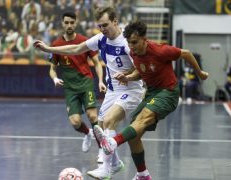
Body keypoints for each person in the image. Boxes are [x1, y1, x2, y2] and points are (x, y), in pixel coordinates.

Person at [34, 7, 145, 179]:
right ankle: (115, 163)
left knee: (109, 121)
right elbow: (76, 48)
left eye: (106, 25)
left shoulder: (127, 43)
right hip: (113, 90)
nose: (102, 29)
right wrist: (49, 49)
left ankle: (107, 168)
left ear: (115, 21)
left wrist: (128, 76)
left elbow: (141, 69)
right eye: (100, 26)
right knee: (99, 127)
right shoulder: (101, 39)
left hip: (131, 89)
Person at [93, 20, 209, 180]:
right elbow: (140, 72)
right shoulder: (134, 53)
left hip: (168, 92)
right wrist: (127, 77)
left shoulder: (160, 50)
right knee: (134, 134)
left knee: (142, 118)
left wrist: (200, 73)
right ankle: (142, 174)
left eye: (134, 42)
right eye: (129, 43)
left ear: (144, 39)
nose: (131, 46)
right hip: (151, 93)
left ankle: (112, 142)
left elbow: (187, 53)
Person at [47, 11, 106, 153]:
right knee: (75, 122)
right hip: (70, 88)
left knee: (92, 116)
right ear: (62, 23)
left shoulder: (85, 41)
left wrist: (100, 81)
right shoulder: (57, 45)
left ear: (76, 23)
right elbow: (52, 69)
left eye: (71, 22)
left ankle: (102, 150)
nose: (69, 25)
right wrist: (54, 78)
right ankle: (87, 133)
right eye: (66, 22)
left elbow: (97, 63)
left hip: (85, 83)